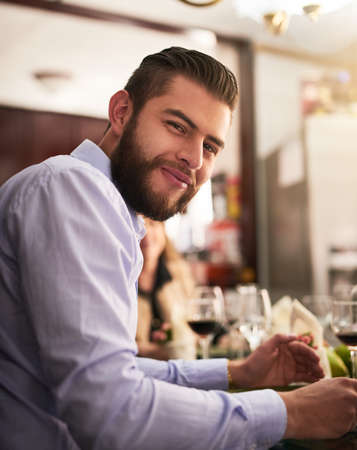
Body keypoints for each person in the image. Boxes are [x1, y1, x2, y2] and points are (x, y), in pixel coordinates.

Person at [0, 46, 357, 450]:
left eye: (210, 146)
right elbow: (108, 409)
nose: (193, 158)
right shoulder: (75, 189)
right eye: (177, 126)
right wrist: (290, 412)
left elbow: (115, 370)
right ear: (121, 112)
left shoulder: (104, 206)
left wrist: (237, 372)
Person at [136, 217, 196, 360]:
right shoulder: (118, 279)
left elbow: (197, 325)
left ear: (163, 230)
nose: (147, 232)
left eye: (152, 224)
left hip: (179, 368)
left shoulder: (180, 276)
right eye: (140, 225)